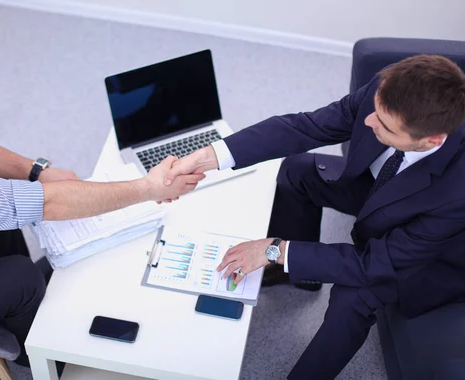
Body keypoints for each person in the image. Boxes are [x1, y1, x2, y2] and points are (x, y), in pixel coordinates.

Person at [0, 13, 204, 367]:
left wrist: (39, 172)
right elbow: (43, 205)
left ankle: (27, 308)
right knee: (21, 278)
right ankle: (47, 359)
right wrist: (146, 188)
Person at [164, 54, 465, 379]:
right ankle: (299, 277)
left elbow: (372, 263)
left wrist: (275, 249)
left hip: (428, 258)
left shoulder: (457, 192)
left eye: (385, 125)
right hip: (380, 191)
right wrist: (211, 156)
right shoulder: (387, 91)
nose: (368, 122)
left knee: (353, 298)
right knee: (297, 170)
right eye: (375, 110)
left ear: (431, 141)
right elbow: (307, 126)